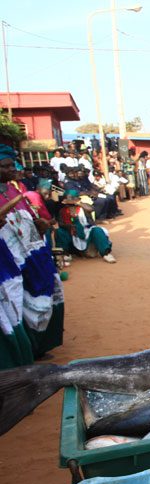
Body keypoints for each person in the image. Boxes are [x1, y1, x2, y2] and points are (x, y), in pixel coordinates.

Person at [0, 145, 64, 366]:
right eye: (6, 166)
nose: (12, 169)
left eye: (12, 165)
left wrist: (40, 224)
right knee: (14, 305)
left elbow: (29, 218)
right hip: (7, 263)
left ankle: (39, 346)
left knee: (45, 293)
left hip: (32, 255)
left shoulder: (14, 190)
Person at [56, 190, 116, 263]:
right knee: (59, 232)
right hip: (72, 235)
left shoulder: (83, 208)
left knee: (97, 230)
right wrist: (69, 226)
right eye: (67, 200)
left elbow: (91, 209)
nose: (68, 203)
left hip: (86, 232)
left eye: (71, 200)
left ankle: (106, 254)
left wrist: (77, 202)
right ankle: (65, 254)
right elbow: (61, 224)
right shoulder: (62, 211)